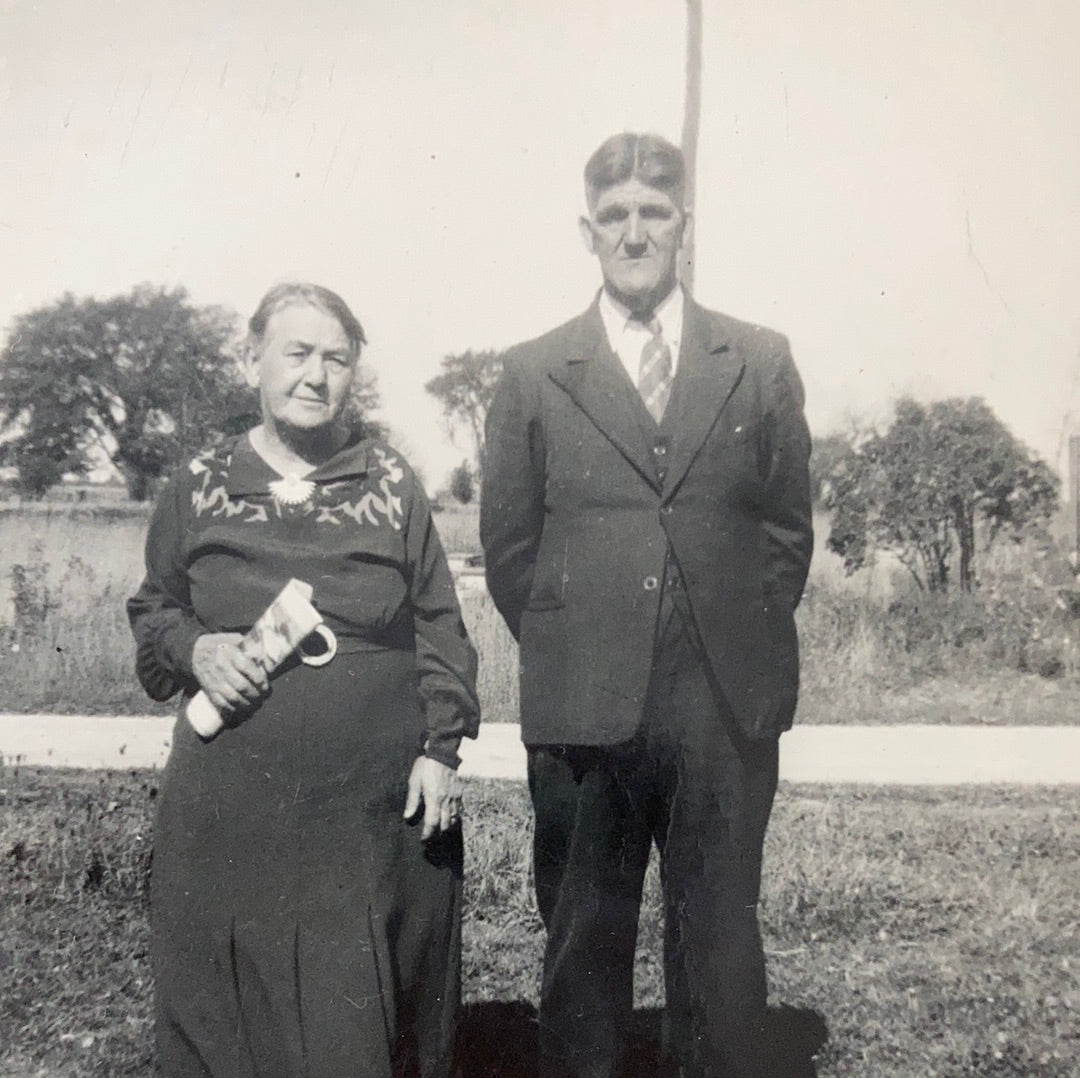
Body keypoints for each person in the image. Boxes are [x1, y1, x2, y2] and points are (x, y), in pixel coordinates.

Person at [480, 133, 813, 1078]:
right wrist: (581, 638)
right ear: (587, 231)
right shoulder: (534, 370)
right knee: (584, 938)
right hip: (586, 701)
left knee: (718, 940)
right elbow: (510, 551)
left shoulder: (755, 357)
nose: (635, 232)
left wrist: (730, 635)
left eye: (654, 214)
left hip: (722, 699)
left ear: (686, 228)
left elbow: (787, 531)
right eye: (616, 215)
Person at [128, 282, 479, 1078]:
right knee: (228, 1005)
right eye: (298, 353)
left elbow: (439, 624)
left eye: (337, 358)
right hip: (230, 801)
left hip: (367, 809)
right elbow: (153, 609)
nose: (317, 375)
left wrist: (442, 748)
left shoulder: (390, 484)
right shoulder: (198, 483)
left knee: (356, 1005)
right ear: (251, 359)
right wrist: (197, 651)